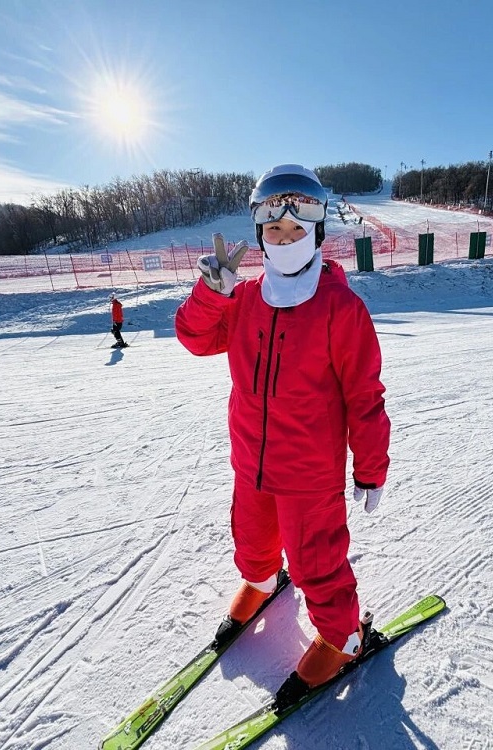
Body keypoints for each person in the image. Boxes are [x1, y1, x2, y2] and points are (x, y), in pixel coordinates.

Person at [174, 164, 390, 703]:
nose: (286, 238)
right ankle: (263, 580)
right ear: (260, 234)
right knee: (251, 540)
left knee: (317, 563)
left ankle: (343, 638)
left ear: (317, 232)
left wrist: (370, 468)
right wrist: (211, 294)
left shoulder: (340, 307)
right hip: (251, 461)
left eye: (297, 229)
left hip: (310, 475)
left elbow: (365, 396)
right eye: (274, 229)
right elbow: (195, 339)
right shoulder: (246, 298)